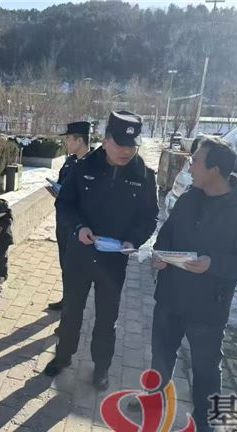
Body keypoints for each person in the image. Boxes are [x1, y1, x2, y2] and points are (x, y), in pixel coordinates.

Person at [148, 136, 237, 432]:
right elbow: (166, 235)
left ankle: (207, 423)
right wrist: (160, 255)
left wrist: (214, 263)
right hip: (170, 296)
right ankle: (154, 401)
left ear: (215, 169)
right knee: (161, 355)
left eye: (196, 161)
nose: (190, 166)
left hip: (208, 306)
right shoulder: (189, 199)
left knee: (206, 368)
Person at [44, 111, 159, 391]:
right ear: (105, 141)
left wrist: (133, 240)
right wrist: (78, 228)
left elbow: (149, 217)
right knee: (72, 310)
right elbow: (65, 204)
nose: (125, 151)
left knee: (107, 317)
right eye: (119, 144)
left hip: (114, 260)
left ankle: (102, 367)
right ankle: (63, 356)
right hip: (80, 254)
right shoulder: (84, 167)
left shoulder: (144, 175)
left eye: (131, 145)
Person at [48, 121, 93, 311]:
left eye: (68, 139)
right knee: (65, 265)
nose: (65, 142)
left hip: (80, 226)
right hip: (63, 223)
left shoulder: (94, 164)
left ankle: (73, 308)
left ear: (80, 140)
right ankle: (67, 299)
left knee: (77, 269)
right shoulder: (70, 161)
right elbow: (63, 184)